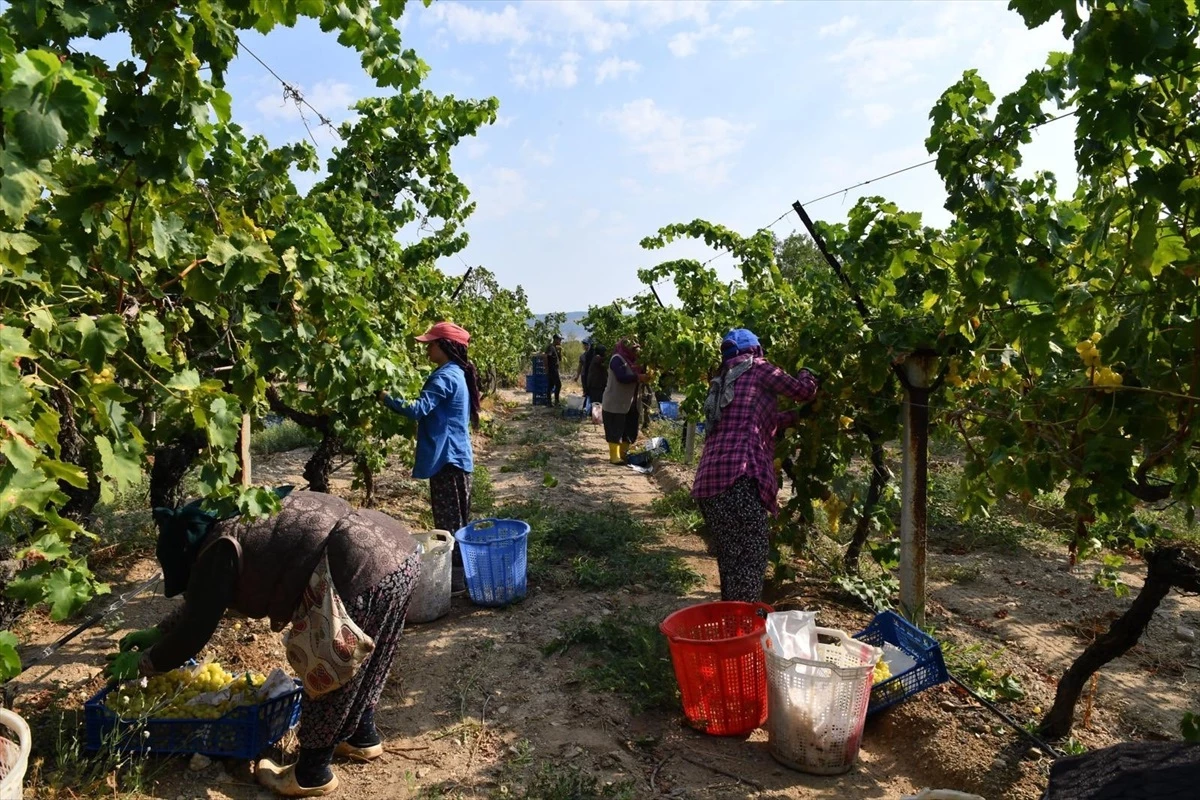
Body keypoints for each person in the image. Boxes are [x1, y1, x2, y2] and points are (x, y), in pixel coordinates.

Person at [105, 490, 421, 797]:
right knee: (365, 661)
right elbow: (206, 599)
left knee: (326, 664)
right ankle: (361, 737)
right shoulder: (236, 519)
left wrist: (148, 661)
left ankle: (312, 774)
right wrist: (160, 632)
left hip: (359, 565)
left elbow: (194, 631)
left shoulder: (219, 551)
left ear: (187, 555)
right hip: (397, 551)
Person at [691, 329, 818, 602]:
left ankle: (731, 623)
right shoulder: (759, 368)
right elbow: (803, 390)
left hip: (708, 487)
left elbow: (758, 422)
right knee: (751, 558)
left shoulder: (721, 381)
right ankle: (743, 631)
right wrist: (809, 370)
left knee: (731, 559)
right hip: (739, 480)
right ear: (755, 350)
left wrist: (796, 417)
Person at [379, 321, 480, 593]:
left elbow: (418, 409)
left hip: (447, 460)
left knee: (449, 525)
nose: (427, 349)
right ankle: (462, 577)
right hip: (456, 458)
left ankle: (457, 581)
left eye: (431, 344)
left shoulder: (445, 376)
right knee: (457, 521)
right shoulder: (456, 373)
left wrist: (386, 397)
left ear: (445, 346)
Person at [601, 339, 652, 464]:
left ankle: (623, 454)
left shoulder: (635, 362)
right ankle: (614, 456)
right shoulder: (617, 359)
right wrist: (638, 377)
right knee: (615, 428)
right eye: (633, 349)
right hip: (616, 401)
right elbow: (621, 377)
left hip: (632, 402)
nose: (636, 352)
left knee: (629, 428)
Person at [544, 334, 563, 405]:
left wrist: (559, 351)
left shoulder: (555, 348)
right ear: (555, 339)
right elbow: (546, 356)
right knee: (558, 385)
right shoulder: (551, 347)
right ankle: (556, 401)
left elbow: (559, 359)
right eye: (559, 339)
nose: (560, 341)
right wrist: (546, 368)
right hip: (552, 369)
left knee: (551, 385)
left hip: (555, 369)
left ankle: (549, 402)